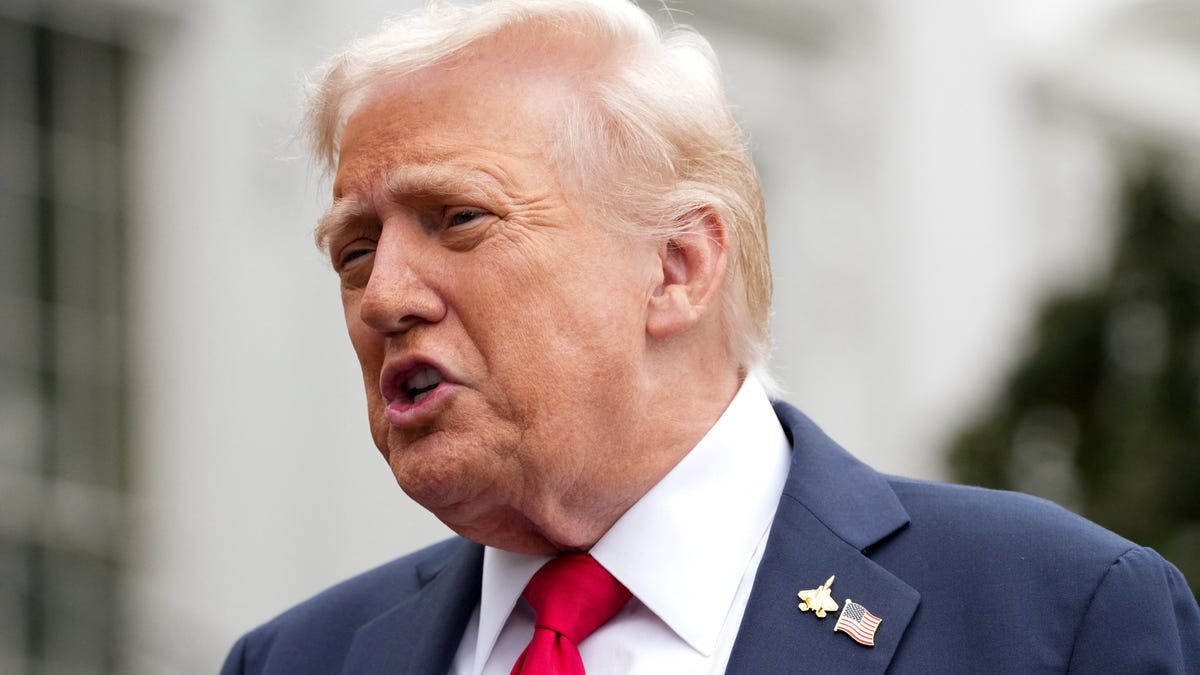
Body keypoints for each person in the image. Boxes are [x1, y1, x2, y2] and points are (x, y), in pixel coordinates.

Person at [220, 0, 1200, 672]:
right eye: (353, 253)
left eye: (459, 220)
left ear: (679, 267)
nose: (383, 295)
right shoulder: (297, 660)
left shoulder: (1052, 617)